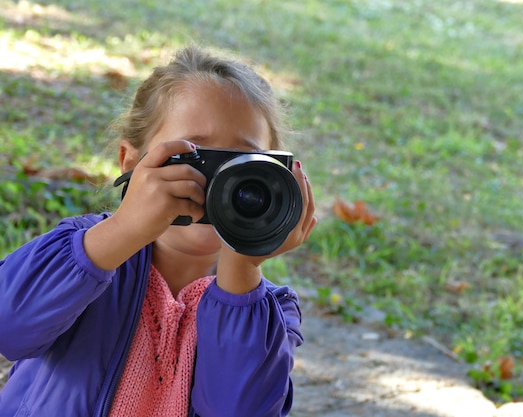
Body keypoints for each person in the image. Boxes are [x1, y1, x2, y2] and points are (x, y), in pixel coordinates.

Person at [0, 45, 317, 417]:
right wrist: (122, 230)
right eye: (196, 158)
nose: (218, 185)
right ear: (131, 163)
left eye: (241, 165)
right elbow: (9, 329)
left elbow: (238, 409)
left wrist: (242, 267)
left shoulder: (268, 312)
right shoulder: (85, 254)